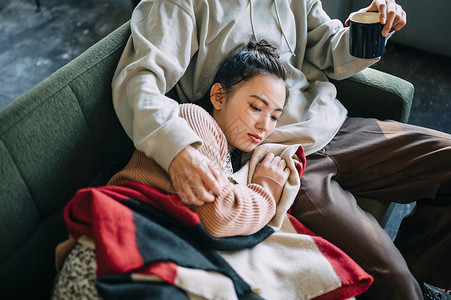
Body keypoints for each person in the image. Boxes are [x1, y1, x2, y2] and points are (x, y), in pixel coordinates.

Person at [111, 0, 451, 299]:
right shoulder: (178, 3)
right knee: (392, 277)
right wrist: (178, 150)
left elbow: (327, 50)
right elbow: (138, 81)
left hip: (330, 123)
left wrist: (371, 27)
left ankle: (425, 284)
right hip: (275, 157)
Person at [108, 40, 294, 237]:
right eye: (256, 107)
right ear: (219, 97)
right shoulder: (193, 118)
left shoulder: (232, 158)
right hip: (123, 228)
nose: (265, 126)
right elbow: (220, 217)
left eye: (274, 117)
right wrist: (266, 189)